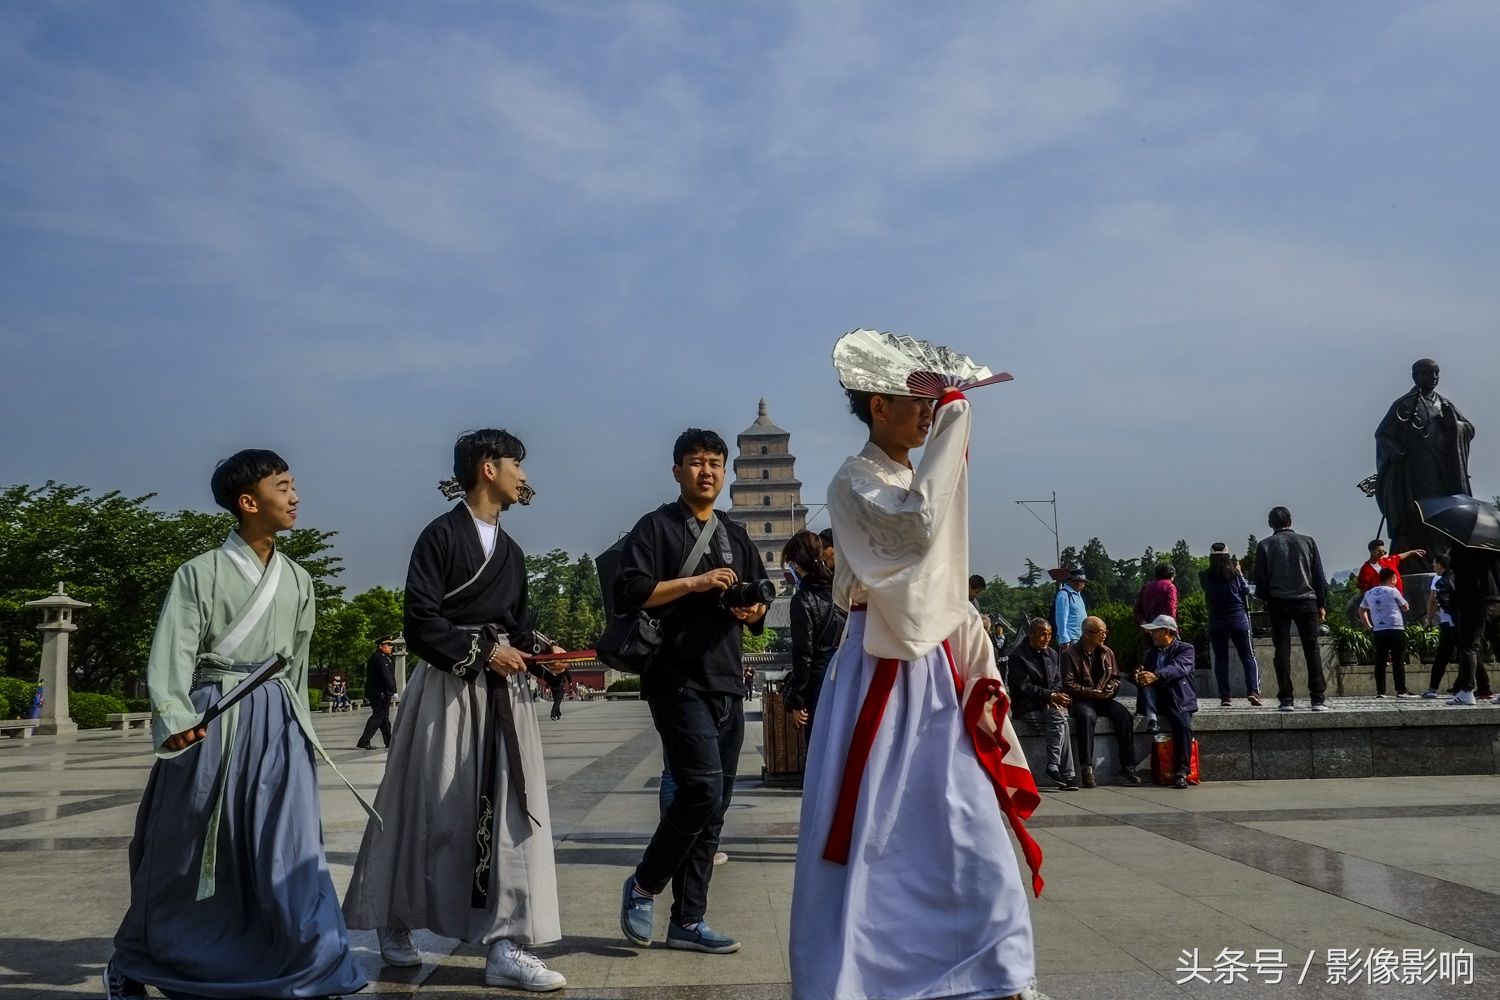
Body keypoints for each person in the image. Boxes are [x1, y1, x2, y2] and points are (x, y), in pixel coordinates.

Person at [789, 378, 1042, 1000]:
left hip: (935, 671)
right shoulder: (854, 482)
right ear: (879, 407)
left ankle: (997, 972)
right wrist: (958, 421)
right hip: (878, 670)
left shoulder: (905, 479)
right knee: (876, 837)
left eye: (936, 409)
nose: (930, 417)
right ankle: (861, 979)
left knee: (967, 823)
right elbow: (916, 529)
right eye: (921, 406)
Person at [105, 450, 366, 1000]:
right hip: (212, 720)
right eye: (283, 487)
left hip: (277, 723)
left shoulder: (298, 579)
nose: (295, 497)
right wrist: (176, 717)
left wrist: (299, 728)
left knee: (290, 847)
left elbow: (295, 662)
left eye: (295, 485)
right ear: (249, 502)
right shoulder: (198, 573)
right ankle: (137, 958)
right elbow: (172, 652)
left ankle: (309, 962)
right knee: (192, 847)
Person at [342, 429, 566, 992]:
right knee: (430, 806)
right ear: (488, 468)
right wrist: (485, 652)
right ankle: (395, 916)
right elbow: (420, 621)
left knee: (513, 814)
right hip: (448, 689)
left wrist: (543, 657)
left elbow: (517, 626)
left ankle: (506, 944)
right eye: (518, 464)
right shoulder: (439, 536)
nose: (524, 475)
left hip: (503, 698)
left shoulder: (512, 552)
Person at [615, 428, 770, 955]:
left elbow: (755, 593)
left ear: (725, 474)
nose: (707, 471)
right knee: (700, 790)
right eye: (696, 462)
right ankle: (643, 884)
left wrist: (755, 610)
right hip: (675, 678)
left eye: (715, 463)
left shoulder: (735, 532)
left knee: (717, 804)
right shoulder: (655, 527)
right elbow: (632, 590)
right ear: (677, 470)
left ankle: (689, 921)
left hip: (727, 678)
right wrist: (695, 584)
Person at [1374, 359, 1476, 559]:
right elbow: (1383, 435)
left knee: (1447, 513)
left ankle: (1447, 558)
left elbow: (1469, 428)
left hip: (1443, 472)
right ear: (1415, 376)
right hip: (1417, 474)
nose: (1434, 377)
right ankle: (1420, 557)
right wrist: (1394, 452)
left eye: (1436, 373)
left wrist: (1453, 425)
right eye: (1428, 373)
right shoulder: (1403, 405)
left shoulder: (1444, 403)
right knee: (1419, 515)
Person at [1252, 506, 1330, 711]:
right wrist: (1321, 603)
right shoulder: (1307, 541)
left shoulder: (1265, 545)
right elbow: (1318, 576)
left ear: (1270, 524)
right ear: (1291, 521)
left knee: (1281, 651)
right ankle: (1317, 697)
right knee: (1312, 649)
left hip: (1279, 602)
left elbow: (1260, 580)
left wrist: (1267, 600)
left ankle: (1286, 698)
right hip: (1307, 601)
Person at [1062, 616, 1143, 787]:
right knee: (1086, 717)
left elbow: (1115, 678)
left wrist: (1110, 689)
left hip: (1103, 699)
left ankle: (1128, 766)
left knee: (1123, 715)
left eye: (1105, 632)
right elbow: (1068, 684)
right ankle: (1087, 768)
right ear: (1086, 634)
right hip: (1081, 700)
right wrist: (1091, 693)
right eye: (1100, 632)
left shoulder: (1107, 652)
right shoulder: (1069, 654)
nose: (1104, 636)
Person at [783, 530, 846, 731]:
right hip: (850, 673)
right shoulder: (844, 592)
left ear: (799, 563)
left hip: (819, 679)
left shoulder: (803, 600)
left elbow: (803, 654)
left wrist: (797, 699)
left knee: (818, 745)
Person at [1008, 618, 1080, 791]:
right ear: (1031, 634)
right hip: (1027, 707)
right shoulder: (1017, 656)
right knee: (1060, 721)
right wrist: (1050, 697)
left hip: (1049, 706)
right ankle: (1060, 770)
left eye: (1049, 634)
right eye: (1042, 634)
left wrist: (1055, 697)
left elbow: (1057, 681)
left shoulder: (1053, 654)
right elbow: (1024, 687)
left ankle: (1060, 770)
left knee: (1060, 720)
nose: (1047, 638)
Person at [1134, 615, 1198, 789]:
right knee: (1145, 680)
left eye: (1155, 631)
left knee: (1183, 726)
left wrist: (1156, 675)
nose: (1151, 634)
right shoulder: (1151, 652)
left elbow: (1179, 668)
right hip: (1156, 699)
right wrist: (1140, 673)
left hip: (1178, 698)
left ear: (1166, 631)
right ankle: (1152, 717)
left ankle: (1182, 772)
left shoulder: (1185, 649)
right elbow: (1145, 670)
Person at [1200, 548, 1262, 706]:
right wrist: (1240, 572)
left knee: (1221, 659)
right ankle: (1253, 691)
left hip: (1216, 620)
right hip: (1238, 619)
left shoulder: (1204, 575)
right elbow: (1246, 590)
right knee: (1248, 656)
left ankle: (1225, 696)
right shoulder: (1235, 574)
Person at [1422, 552, 1487, 697]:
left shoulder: (1440, 580)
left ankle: (1433, 688)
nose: (1433, 568)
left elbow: (1434, 601)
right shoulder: (1464, 577)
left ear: (1439, 565)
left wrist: (1430, 619)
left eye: (1434, 565)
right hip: (1468, 619)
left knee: (1443, 656)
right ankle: (1483, 687)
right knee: (1470, 651)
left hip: (1449, 621)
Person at [1445, 542, 1500, 706]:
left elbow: (1455, 569)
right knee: (1498, 645)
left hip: (1474, 600)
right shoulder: (1495, 546)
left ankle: (1466, 691)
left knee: (1469, 646)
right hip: (1497, 599)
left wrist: (1451, 552)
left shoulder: (1462, 546)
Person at [1131, 564, 1178, 726]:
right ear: (1172, 575)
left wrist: (1145, 623)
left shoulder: (1146, 587)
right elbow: (1171, 611)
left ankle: (1143, 706)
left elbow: (1136, 610)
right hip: (1164, 631)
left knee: (1145, 668)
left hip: (1148, 630)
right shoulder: (1169, 586)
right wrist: (1172, 632)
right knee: (1168, 666)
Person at [1360, 568, 1413, 698]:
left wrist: (1368, 625)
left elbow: (1361, 610)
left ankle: (1381, 691)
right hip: (1395, 627)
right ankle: (1401, 690)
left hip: (1378, 630)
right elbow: (1405, 607)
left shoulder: (1370, 593)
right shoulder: (1393, 591)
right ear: (1392, 578)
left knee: (1380, 661)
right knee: (1398, 660)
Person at [357, 636, 398, 749]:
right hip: (380, 693)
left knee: (383, 717)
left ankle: (389, 741)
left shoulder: (380, 657)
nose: (390, 647)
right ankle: (364, 740)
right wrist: (393, 690)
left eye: (391, 645)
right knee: (378, 716)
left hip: (378, 692)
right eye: (388, 645)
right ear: (380, 646)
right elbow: (386, 676)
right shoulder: (380, 658)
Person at [1356, 539, 1427, 594]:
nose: (1382, 554)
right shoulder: (1365, 569)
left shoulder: (1388, 561)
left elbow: (1399, 557)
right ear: (1371, 551)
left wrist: (1412, 552)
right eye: (1379, 551)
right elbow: (1363, 590)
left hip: (1397, 596)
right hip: (1380, 601)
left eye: (1383, 552)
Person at [1053, 568, 1087, 650]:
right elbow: (1061, 617)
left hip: (1080, 637)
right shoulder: (1064, 595)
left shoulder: (1078, 595)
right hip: (1070, 638)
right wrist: (1064, 638)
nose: (1083, 584)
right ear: (1073, 581)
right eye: (1082, 581)